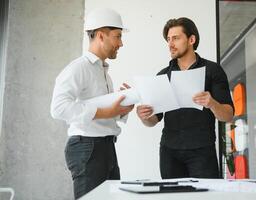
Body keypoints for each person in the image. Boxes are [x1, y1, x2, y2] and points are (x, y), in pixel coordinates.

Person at [50, 8, 134, 199]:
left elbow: (103, 113)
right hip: (88, 148)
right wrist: (106, 112)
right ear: (101, 36)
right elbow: (58, 108)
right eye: (117, 36)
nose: (121, 43)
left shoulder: (104, 73)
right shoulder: (78, 68)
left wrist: (122, 107)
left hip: (105, 147)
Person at [136, 17, 234, 179]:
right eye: (168, 39)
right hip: (169, 152)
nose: (170, 44)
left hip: (202, 151)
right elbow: (154, 120)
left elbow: (228, 115)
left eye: (176, 38)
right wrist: (144, 116)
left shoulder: (212, 70)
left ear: (191, 39)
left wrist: (212, 103)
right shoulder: (163, 75)